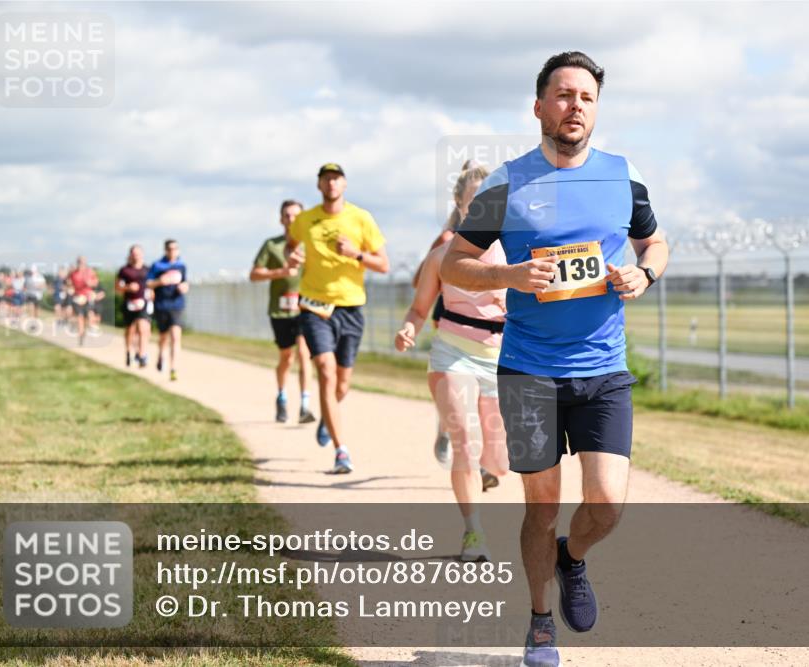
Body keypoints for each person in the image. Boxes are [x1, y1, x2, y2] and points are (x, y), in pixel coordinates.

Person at [440, 51, 669, 667]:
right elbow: (452, 264)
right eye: (563, 95)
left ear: (596, 110)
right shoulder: (507, 184)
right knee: (539, 506)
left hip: (603, 370)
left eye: (587, 98)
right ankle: (541, 623)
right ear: (539, 106)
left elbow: (656, 240)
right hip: (529, 372)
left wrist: (644, 274)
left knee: (607, 505)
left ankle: (574, 557)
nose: (575, 107)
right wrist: (510, 273)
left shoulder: (622, 176)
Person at [395, 162, 509, 561]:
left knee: (499, 462)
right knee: (467, 443)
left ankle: (480, 466)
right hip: (453, 354)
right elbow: (418, 308)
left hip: (500, 360)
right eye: (471, 202)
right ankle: (473, 533)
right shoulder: (442, 256)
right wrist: (409, 328)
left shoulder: (517, 256)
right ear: (460, 208)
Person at [286, 163, 389, 474]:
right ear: (319, 185)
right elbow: (292, 246)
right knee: (326, 373)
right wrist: (292, 257)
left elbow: (383, 264)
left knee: (342, 383)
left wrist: (356, 254)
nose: (331, 184)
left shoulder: (361, 218)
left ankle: (327, 418)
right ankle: (341, 450)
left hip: (351, 307)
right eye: (325, 179)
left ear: (344, 184)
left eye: (336, 179)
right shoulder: (305, 220)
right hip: (314, 305)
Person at [250, 200, 316, 424]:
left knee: (305, 353)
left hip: (306, 307)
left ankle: (305, 404)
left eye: (296, 215)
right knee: (286, 357)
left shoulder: (310, 245)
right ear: (281, 219)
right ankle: (281, 396)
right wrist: (281, 271)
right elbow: (254, 274)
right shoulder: (271, 245)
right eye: (287, 215)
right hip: (279, 310)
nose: (291, 220)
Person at [146, 239, 189, 381]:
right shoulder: (157, 265)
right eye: (170, 249)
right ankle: (161, 355)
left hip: (176, 304)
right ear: (165, 250)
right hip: (161, 305)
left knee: (176, 336)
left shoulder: (181, 266)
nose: (172, 251)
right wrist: (160, 281)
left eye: (175, 248)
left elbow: (185, 282)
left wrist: (184, 287)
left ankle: (173, 368)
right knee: (163, 336)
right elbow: (148, 284)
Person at [117, 244, 152, 368]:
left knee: (143, 329)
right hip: (129, 304)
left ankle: (142, 355)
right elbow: (118, 287)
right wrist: (128, 287)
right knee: (130, 331)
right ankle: (128, 352)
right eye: (134, 253)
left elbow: (152, 285)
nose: (136, 256)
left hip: (143, 303)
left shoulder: (148, 269)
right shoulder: (124, 270)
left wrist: (152, 294)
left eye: (138, 253)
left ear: (142, 254)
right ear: (130, 255)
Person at [67, 257, 99, 346]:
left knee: (89, 314)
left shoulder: (90, 272)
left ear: (85, 263)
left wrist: (90, 283)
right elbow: (68, 283)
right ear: (77, 262)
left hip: (88, 296)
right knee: (80, 317)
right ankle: (81, 335)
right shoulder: (73, 273)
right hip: (78, 297)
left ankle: (91, 326)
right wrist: (70, 287)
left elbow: (96, 282)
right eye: (79, 262)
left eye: (82, 262)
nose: (81, 264)